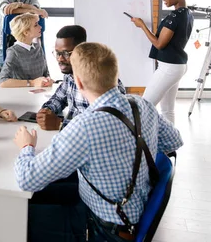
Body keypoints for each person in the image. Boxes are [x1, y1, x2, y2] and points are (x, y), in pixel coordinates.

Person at [13, 42, 183, 241]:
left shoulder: (84, 126)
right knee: (50, 190)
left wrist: (26, 146)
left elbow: (26, 179)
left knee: (22, 215)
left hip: (102, 228)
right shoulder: (142, 104)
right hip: (132, 211)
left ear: (79, 82)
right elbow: (174, 141)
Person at [131, 0, 193, 123]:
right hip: (177, 65)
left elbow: (159, 44)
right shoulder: (187, 13)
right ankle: (170, 146)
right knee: (167, 110)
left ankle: (141, 144)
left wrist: (142, 26)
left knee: (144, 105)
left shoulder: (175, 16)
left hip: (170, 67)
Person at [37, 25, 126, 130]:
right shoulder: (69, 75)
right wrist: (46, 111)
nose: (60, 59)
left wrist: (60, 124)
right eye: (58, 53)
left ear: (81, 51)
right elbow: (58, 98)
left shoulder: (99, 79)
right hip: (72, 135)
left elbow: (103, 126)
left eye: (66, 53)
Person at [0, 13, 53, 88]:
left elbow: (45, 74)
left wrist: (48, 80)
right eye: (36, 25)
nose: (40, 27)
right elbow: (3, 82)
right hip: (22, 95)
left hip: (40, 93)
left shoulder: (38, 47)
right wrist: (32, 83)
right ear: (26, 32)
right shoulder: (13, 52)